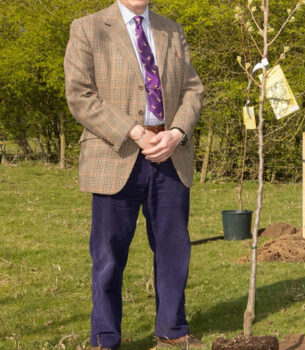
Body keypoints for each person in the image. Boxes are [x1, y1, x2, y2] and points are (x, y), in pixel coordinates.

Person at [64, 0, 204, 348]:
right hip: (117, 153)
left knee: (174, 250)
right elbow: (80, 95)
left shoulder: (172, 29)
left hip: (169, 156)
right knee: (109, 256)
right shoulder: (88, 27)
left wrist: (176, 134)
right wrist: (134, 131)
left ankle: (172, 330)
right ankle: (105, 338)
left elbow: (192, 90)